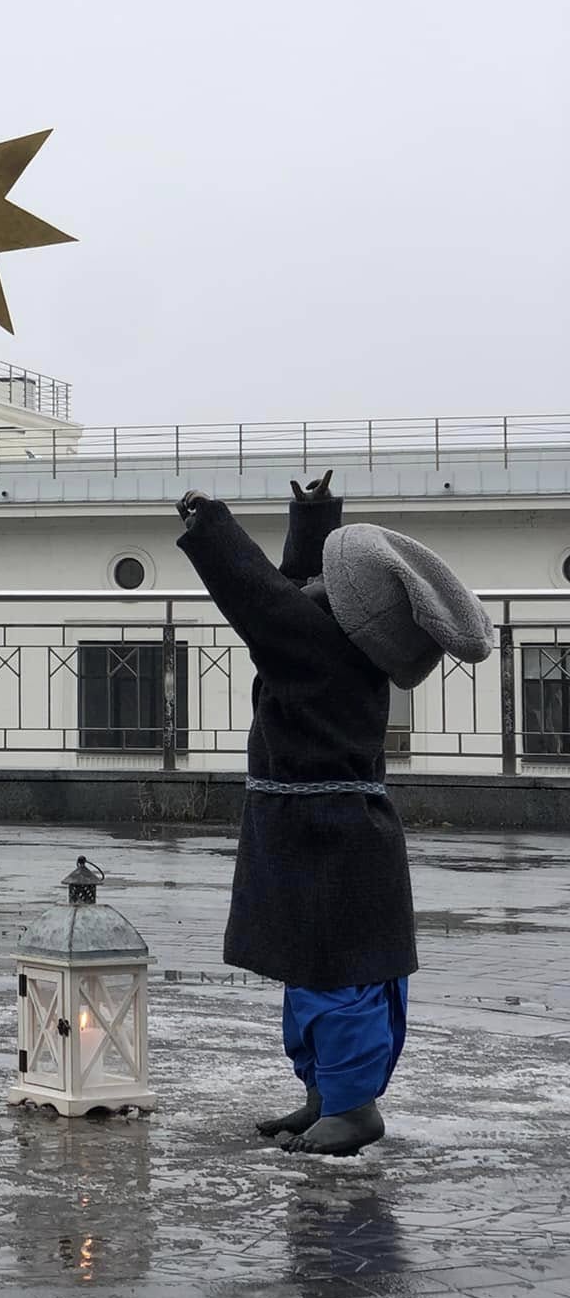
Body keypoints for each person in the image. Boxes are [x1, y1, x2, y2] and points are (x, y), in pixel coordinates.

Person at [177, 472, 493, 1154]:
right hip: (343, 831)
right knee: (329, 973)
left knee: (330, 978)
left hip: (320, 837)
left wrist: (212, 525)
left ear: (348, 605)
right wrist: (313, 514)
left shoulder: (315, 648)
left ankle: (351, 1108)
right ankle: (327, 1096)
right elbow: (296, 595)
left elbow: (262, 601)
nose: (318, 582)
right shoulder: (348, 644)